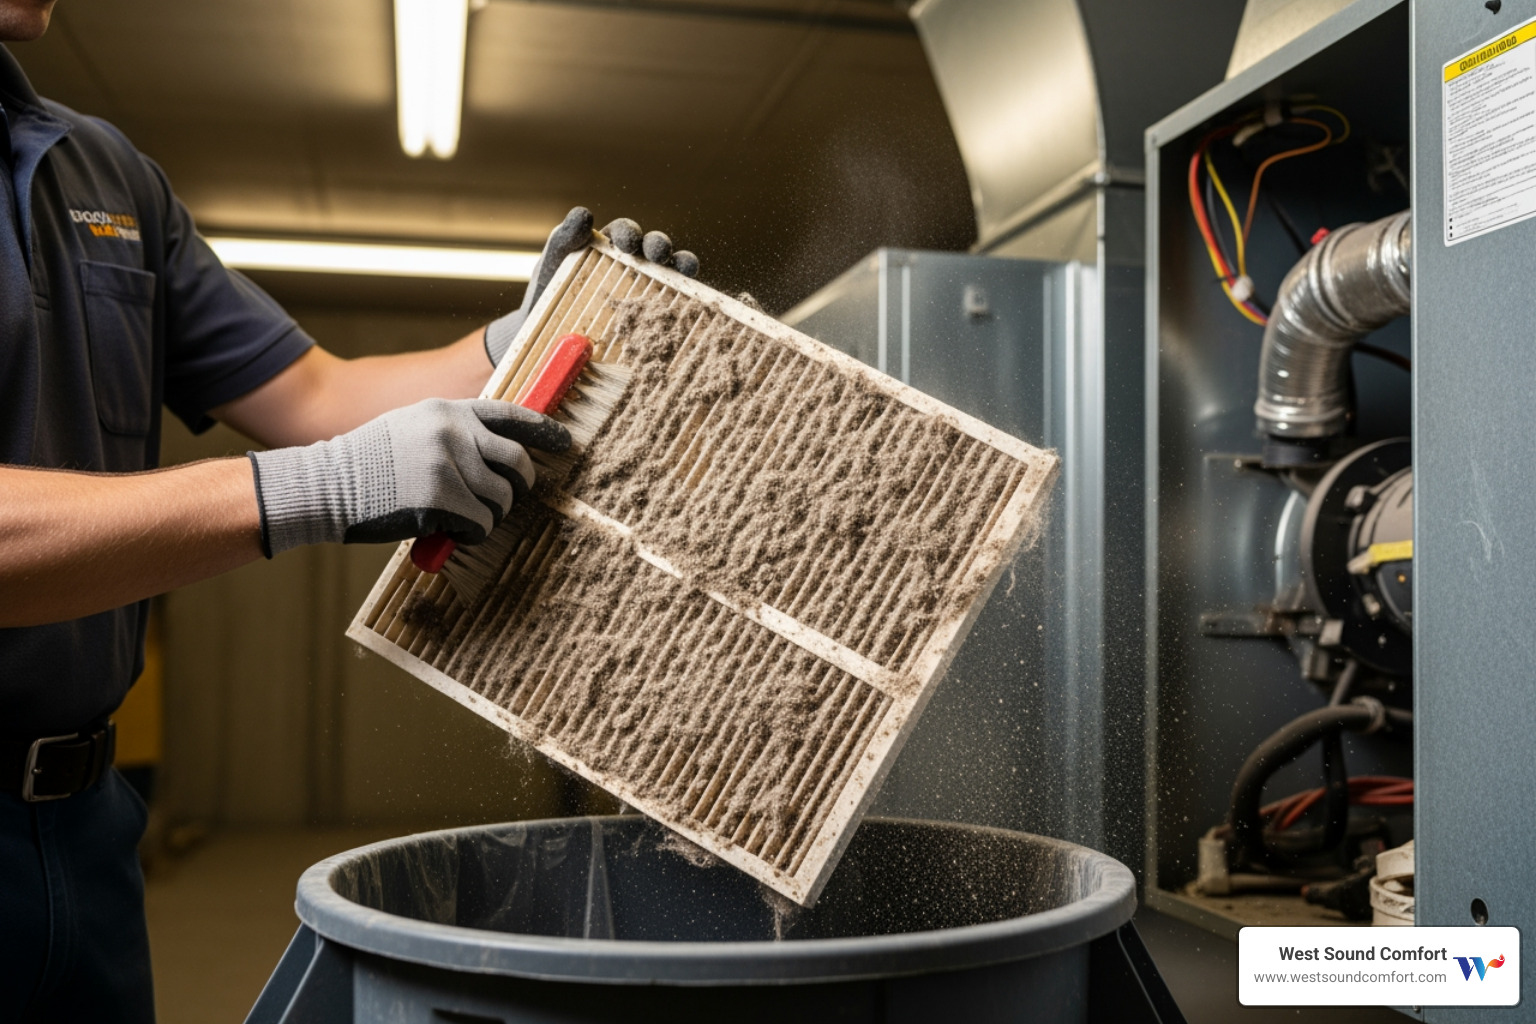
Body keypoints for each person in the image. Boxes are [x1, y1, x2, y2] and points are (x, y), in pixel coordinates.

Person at [0, 2, 698, 1020]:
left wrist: (528, 340)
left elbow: (316, 397)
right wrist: (319, 488)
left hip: (85, 830)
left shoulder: (102, 174)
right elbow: (320, 452)